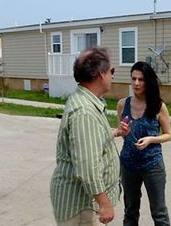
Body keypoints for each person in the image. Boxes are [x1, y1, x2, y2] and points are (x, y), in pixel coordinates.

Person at [50, 47, 130, 225]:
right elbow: (88, 167)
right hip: (82, 206)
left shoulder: (86, 101)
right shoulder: (85, 112)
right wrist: (104, 203)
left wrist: (115, 132)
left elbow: (89, 141)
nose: (113, 76)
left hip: (85, 202)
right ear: (101, 73)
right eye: (112, 71)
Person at [117, 61, 171, 226]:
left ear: (148, 81)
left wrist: (151, 139)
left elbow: (168, 134)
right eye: (133, 79)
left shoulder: (158, 106)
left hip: (152, 165)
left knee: (159, 213)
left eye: (141, 79)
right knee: (130, 212)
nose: (136, 83)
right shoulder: (122, 104)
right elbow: (122, 134)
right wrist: (122, 132)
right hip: (128, 165)